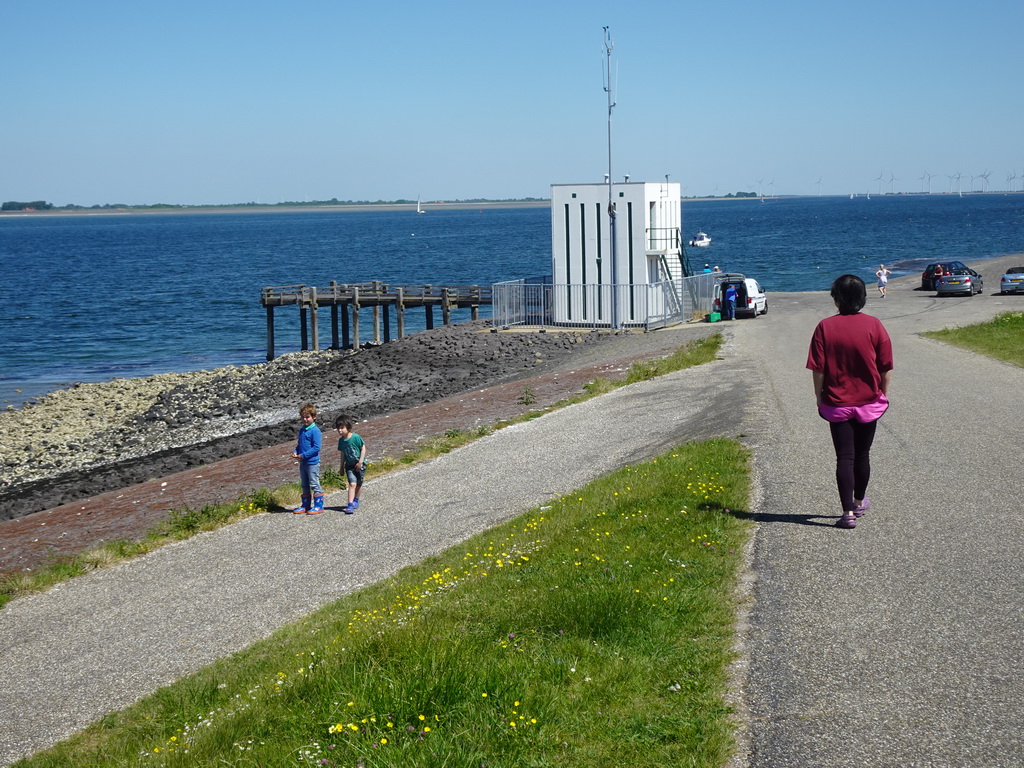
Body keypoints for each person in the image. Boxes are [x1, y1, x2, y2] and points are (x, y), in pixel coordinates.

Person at [806, 275, 893, 529]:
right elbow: (886, 367)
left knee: (845, 457)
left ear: (836, 299)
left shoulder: (825, 327)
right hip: (868, 401)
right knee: (863, 454)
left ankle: (847, 514)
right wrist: (883, 394)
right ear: (863, 298)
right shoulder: (874, 325)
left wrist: (818, 396)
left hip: (837, 402)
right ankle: (858, 501)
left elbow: (818, 369)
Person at [292, 403, 324, 514]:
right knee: (304, 484)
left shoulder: (315, 431)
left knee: (314, 483)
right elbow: (300, 444)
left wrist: (303, 455)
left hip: (312, 462)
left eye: (307, 417)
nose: (305, 420)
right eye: (303, 417)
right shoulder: (302, 430)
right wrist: (296, 452)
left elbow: (316, 447)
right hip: (303, 462)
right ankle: (305, 505)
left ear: (314, 417)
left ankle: (319, 505)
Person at [336, 414, 367, 515]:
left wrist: (360, 462)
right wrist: (341, 467)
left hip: (359, 464)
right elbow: (342, 454)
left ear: (348, 427)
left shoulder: (356, 437)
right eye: (338, 428)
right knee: (352, 483)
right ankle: (350, 504)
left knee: (359, 483)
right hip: (349, 466)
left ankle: (356, 500)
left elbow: (363, 448)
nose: (339, 430)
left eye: (342, 428)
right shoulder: (341, 441)